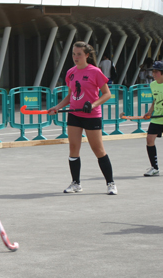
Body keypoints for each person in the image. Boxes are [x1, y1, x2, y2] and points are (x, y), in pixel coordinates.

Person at [48, 41, 117, 195]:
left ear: (87, 55)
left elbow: (107, 94)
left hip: (91, 115)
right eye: (74, 54)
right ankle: (76, 183)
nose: (75, 57)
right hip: (74, 114)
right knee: (73, 148)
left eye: (79, 54)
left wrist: (92, 105)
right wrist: (57, 107)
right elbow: (70, 96)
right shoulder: (70, 72)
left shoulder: (95, 71)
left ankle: (110, 183)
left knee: (98, 150)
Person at [143, 61, 163, 176]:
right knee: (149, 140)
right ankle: (154, 168)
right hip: (157, 118)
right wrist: (149, 112)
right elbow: (155, 99)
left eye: (156, 72)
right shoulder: (152, 84)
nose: (154, 74)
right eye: (153, 71)